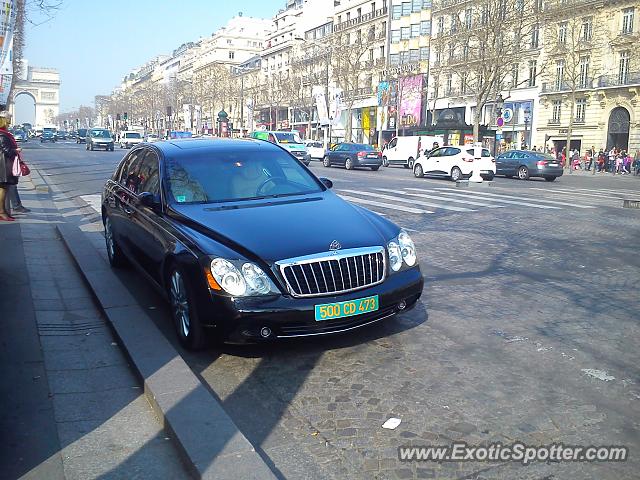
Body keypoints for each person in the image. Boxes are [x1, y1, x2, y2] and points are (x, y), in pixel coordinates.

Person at [0, 111, 20, 221]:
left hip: (4, 163)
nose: (10, 122)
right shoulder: (2, 134)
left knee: (4, 189)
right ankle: (2, 212)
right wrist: (16, 150)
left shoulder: (4, 133)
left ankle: (5, 212)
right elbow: (6, 150)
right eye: (8, 119)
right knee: (3, 189)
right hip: (3, 165)